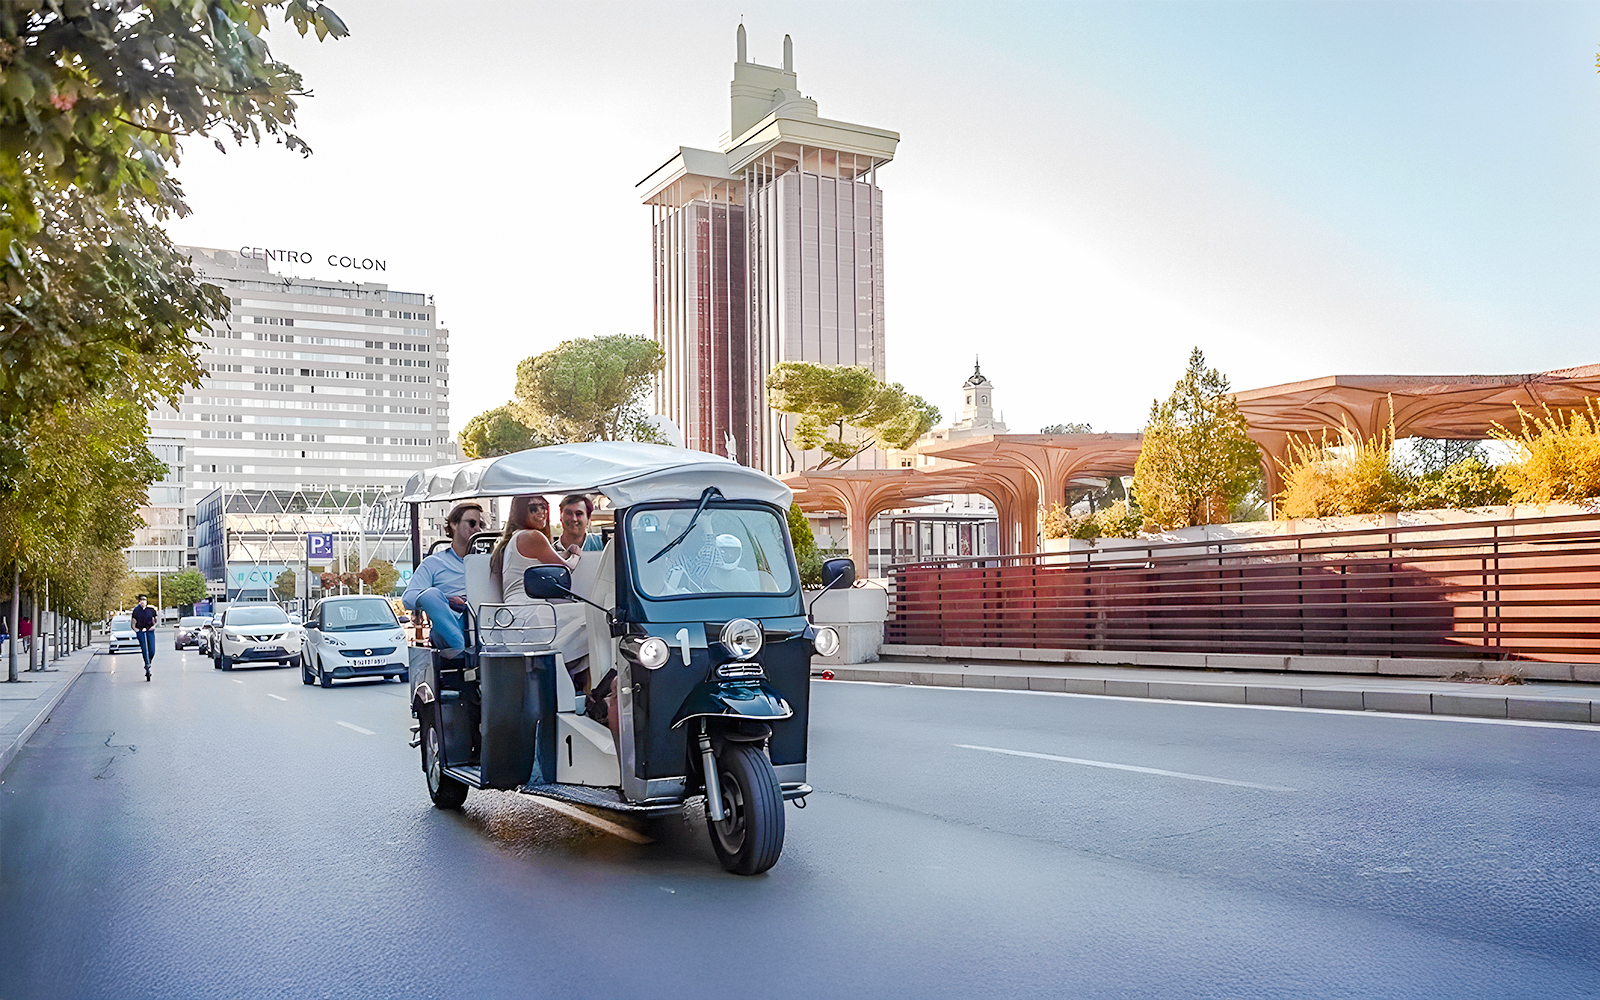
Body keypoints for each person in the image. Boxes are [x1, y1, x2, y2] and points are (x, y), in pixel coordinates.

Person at [401, 501, 485, 654]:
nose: (477, 529)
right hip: (450, 619)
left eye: (481, 525)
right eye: (472, 523)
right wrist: (446, 600)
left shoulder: (487, 561)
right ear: (454, 524)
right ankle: (461, 650)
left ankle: (463, 651)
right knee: (430, 595)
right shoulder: (434, 563)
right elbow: (408, 598)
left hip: (482, 620)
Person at [489, 495, 567, 605]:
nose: (540, 512)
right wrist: (576, 554)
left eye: (543, 507)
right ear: (521, 512)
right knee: (586, 613)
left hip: (517, 608)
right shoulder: (532, 536)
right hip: (530, 608)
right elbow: (565, 568)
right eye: (533, 508)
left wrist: (567, 554)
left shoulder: (513, 539)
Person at [555, 494, 605, 566]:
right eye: (569, 513)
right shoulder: (551, 551)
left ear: (588, 519)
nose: (573, 519)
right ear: (561, 516)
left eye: (578, 514)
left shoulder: (603, 543)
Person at [130, 595, 157, 681]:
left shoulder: (151, 610)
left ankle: (149, 662)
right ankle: (147, 664)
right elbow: (133, 623)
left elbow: (155, 620)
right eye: (141, 600)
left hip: (149, 630)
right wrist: (136, 630)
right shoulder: (136, 611)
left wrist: (154, 626)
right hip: (141, 631)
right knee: (144, 648)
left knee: (152, 650)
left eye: (144, 600)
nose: (143, 601)